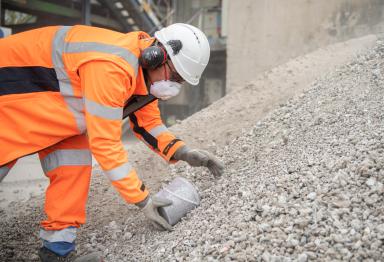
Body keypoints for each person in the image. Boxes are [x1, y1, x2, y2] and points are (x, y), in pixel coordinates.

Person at [0, 23, 224, 261]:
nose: (175, 86)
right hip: (13, 89)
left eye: (181, 82)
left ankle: (56, 252)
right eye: (176, 76)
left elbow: (149, 125)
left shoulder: (143, 77)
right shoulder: (112, 67)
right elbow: (105, 144)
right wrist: (143, 200)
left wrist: (183, 152)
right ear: (157, 55)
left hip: (54, 106)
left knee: (74, 165)